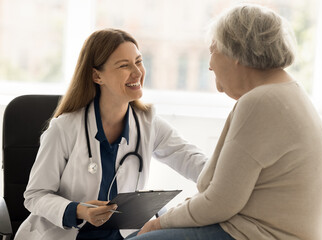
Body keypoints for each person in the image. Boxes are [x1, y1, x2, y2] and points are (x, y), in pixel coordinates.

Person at [126, 4, 322, 240]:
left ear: (236, 51)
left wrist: (160, 223)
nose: (210, 64)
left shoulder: (260, 101)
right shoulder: (287, 91)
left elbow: (220, 202)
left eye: (213, 50)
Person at [14, 28, 207, 240]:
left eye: (139, 61)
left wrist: (229, 179)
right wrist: (80, 210)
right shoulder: (64, 129)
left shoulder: (147, 123)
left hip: (119, 235)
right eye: (124, 65)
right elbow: (35, 196)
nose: (137, 72)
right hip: (65, 234)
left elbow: (190, 159)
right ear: (97, 76)